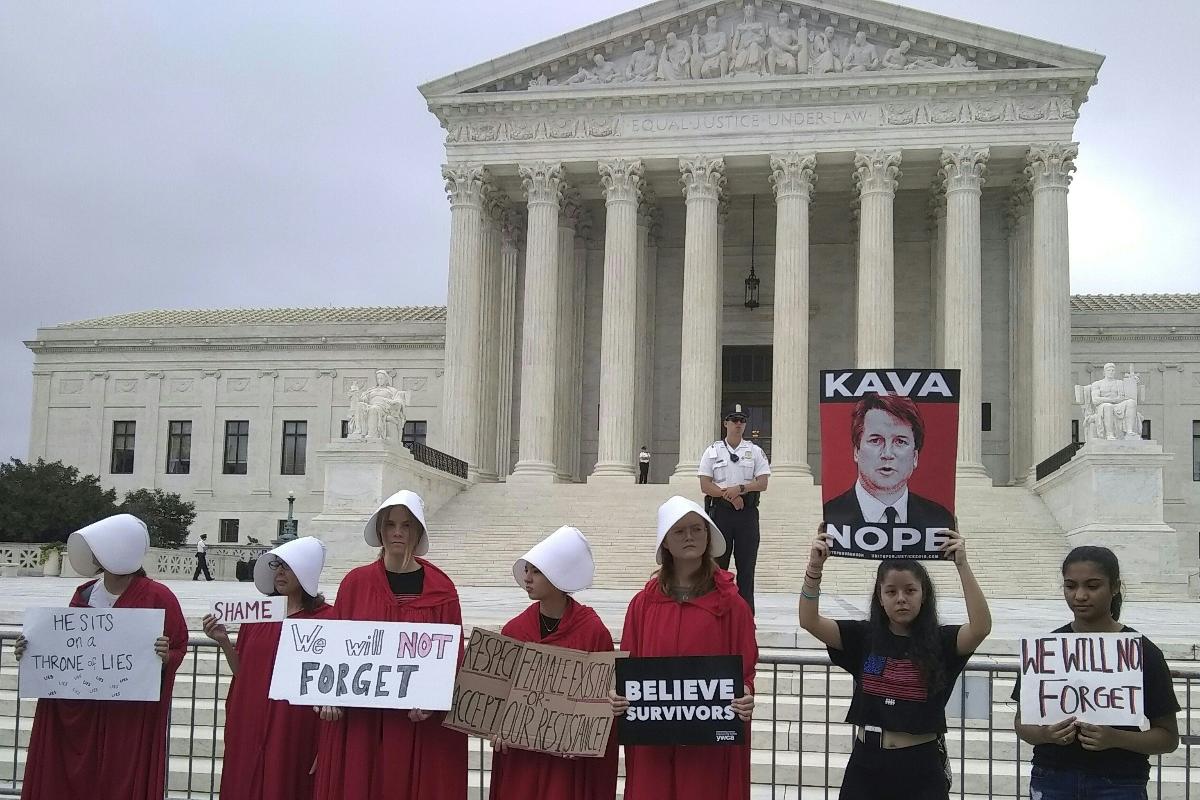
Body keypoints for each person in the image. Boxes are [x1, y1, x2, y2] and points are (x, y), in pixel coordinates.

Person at [799, 524, 991, 800]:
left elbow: (981, 628)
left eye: (910, 590)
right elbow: (809, 621)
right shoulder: (863, 636)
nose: (901, 599)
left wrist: (962, 564)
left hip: (920, 767)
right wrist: (814, 569)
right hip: (866, 765)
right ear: (880, 597)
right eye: (891, 592)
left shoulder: (942, 641)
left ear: (923, 594)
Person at [18, 514, 188, 800]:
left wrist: (166, 655)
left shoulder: (159, 596)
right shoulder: (83, 594)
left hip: (129, 713)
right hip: (80, 706)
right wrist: (30, 649)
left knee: (121, 772)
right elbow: (65, 646)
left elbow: (179, 646)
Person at [312, 489, 466, 800]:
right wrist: (327, 696)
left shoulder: (442, 588)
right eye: (391, 524)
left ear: (417, 531)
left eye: (407, 525)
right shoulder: (355, 584)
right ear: (380, 530)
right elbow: (335, 652)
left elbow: (454, 660)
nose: (398, 532)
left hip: (417, 726)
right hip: (362, 724)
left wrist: (435, 702)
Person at [609, 496, 757, 800]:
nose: (689, 537)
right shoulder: (643, 604)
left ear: (708, 536)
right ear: (665, 542)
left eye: (696, 529)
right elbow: (626, 664)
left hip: (708, 746)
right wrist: (618, 694)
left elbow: (745, 669)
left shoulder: (733, 605)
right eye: (679, 531)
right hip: (653, 743)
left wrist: (745, 693)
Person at [1012, 546, 1180, 799]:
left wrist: (1115, 738)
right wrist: (1045, 734)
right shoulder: (1045, 649)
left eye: (1092, 586)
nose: (1080, 596)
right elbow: (1022, 723)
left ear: (1114, 587)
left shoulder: (1144, 652)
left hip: (1120, 781)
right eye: (1070, 586)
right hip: (1052, 776)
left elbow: (1168, 737)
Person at [489, 525, 618, 800]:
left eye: (536, 571)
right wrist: (497, 726)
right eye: (527, 570)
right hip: (522, 761)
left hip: (567, 765)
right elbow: (499, 695)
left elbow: (602, 701)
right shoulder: (514, 630)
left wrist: (582, 735)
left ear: (558, 576)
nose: (527, 577)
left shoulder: (594, 633)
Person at [203, 536, 336, 800]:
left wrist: (327, 744)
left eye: (288, 566)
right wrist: (223, 642)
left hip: (296, 724)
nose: (280, 572)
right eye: (277, 565)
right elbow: (243, 672)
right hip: (251, 720)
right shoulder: (258, 615)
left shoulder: (329, 619)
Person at [822, 393, 954, 531]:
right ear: (856, 451)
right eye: (875, 440)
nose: (887, 454)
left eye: (900, 441)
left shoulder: (940, 518)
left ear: (915, 457)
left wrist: (958, 553)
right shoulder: (830, 514)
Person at [699, 403, 770, 613]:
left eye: (742, 420)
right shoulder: (712, 451)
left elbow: (763, 483)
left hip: (747, 515)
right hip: (720, 515)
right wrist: (728, 496)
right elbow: (705, 484)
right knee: (718, 568)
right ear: (725, 423)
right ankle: (716, 612)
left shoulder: (755, 451)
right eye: (734, 420)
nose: (738, 424)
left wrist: (739, 489)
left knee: (747, 568)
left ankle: (746, 615)